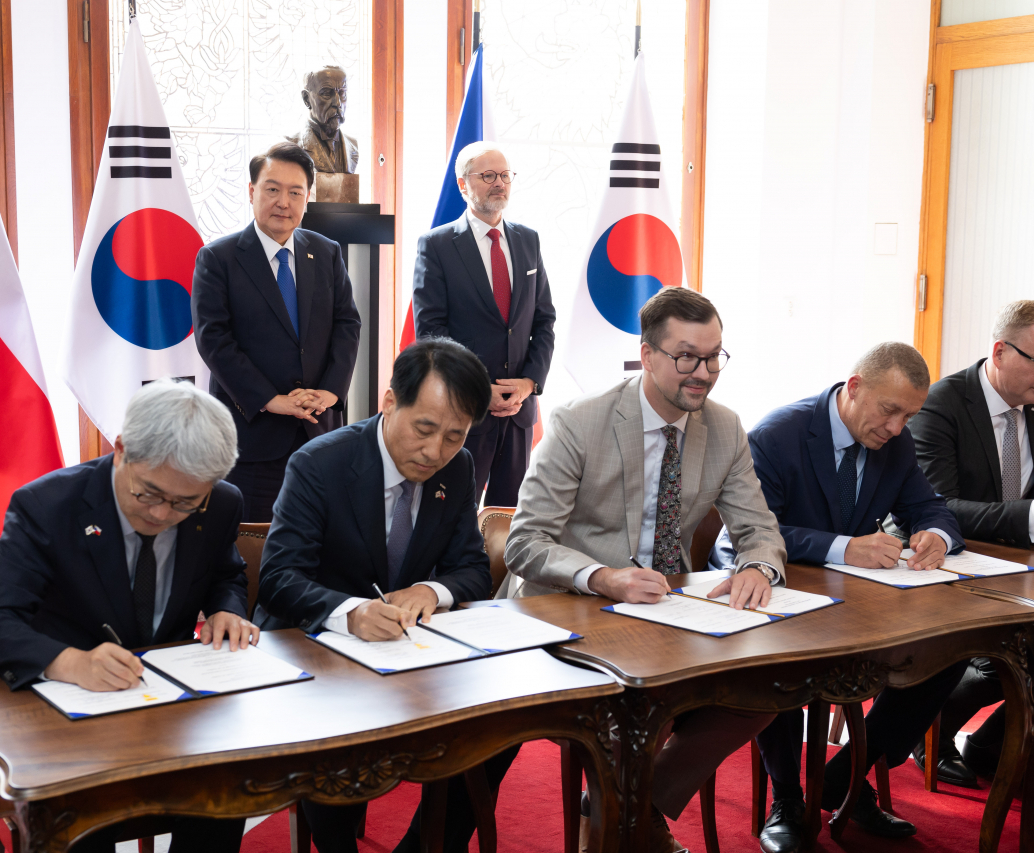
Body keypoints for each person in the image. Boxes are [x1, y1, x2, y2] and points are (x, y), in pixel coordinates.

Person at [505, 287, 786, 853]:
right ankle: (631, 821)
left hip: (668, 612)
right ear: (648, 354)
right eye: (687, 356)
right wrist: (602, 577)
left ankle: (628, 805)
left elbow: (759, 528)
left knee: (765, 690)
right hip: (571, 608)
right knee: (622, 705)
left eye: (714, 357)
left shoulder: (726, 428)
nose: (703, 372)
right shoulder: (580, 421)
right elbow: (524, 543)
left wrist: (758, 566)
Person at [0, 379, 257, 853]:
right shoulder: (47, 506)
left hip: (170, 704)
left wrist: (227, 609)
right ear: (121, 450)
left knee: (226, 789)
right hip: (71, 718)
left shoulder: (221, 503)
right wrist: (69, 662)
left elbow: (226, 573)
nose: (164, 514)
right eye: (150, 494)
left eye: (186, 502)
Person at [256, 337, 505, 853]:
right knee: (341, 743)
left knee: (497, 730)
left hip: (408, 652)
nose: (435, 452)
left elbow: (472, 570)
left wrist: (430, 590)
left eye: (455, 436)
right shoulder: (319, 463)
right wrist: (350, 613)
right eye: (425, 429)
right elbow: (279, 576)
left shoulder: (456, 470)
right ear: (389, 402)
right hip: (318, 651)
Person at [741, 342, 965, 850]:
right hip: (777, 592)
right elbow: (750, 533)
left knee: (948, 652)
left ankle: (846, 776)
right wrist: (844, 549)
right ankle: (787, 800)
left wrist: (936, 535)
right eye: (890, 411)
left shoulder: (897, 444)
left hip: (855, 601)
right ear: (855, 387)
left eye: (909, 416)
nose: (896, 428)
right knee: (778, 662)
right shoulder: (780, 435)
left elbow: (933, 507)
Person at [909, 299, 1034, 794]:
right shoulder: (941, 405)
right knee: (1032, 649)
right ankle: (930, 724)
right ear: (999, 352)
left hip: (1029, 561)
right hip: (951, 560)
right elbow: (935, 508)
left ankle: (995, 743)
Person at [192, 141, 361, 522]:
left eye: (295, 192)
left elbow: (347, 323)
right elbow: (214, 341)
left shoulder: (327, 251)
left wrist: (331, 392)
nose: (283, 202)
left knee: (323, 541)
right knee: (255, 546)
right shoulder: (218, 258)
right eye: (272, 189)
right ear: (252, 192)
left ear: (307, 198)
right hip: (254, 435)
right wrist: (272, 399)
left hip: (320, 432)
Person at [412, 142, 556, 507]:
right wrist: (477, 389)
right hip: (464, 410)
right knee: (452, 515)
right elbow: (431, 334)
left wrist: (528, 383)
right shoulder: (437, 245)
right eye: (488, 175)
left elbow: (544, 320)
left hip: (519, 411)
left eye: (505, 175)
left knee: (510, 522)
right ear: (463, 185)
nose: (499, 183)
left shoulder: (528, 240)